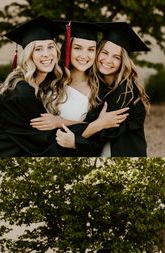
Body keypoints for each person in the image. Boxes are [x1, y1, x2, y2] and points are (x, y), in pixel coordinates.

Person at [0, 16, 75, 157]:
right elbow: (49, 145)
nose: (46, 54)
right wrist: (93, 126)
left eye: (50, 47)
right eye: (38, 49)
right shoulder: (21, 93)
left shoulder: (37, 85)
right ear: (28, 55)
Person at [30, 20, 129, 155]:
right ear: (68, 48)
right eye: (77, 48)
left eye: (91, 49)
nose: (84, 56)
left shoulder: (99, 92)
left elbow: (94, 141)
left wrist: (59, 123)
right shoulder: (48, 79)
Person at [55, 22, 150, 157]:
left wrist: (62, 125)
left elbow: (101, 133)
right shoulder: (103, 86)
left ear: (123, 61)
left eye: (116, 57)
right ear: (98, 52)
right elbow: (97, 124)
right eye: (104, 52)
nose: (108, 60)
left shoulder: (126, 91)